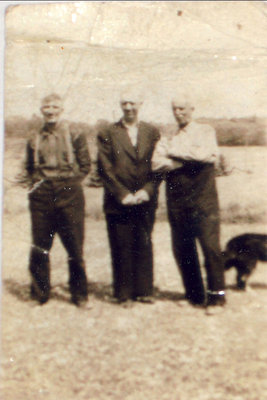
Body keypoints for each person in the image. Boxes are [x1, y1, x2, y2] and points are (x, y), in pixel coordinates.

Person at [152, 95, 226, 312]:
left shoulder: (205, 131)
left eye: (182, 108)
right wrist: (185, 159)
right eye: (174, 109)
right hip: (177, 200)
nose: (178, 113)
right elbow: (156, 163)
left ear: (192, 109)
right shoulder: (169, 134)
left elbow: (205, 155)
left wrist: (173, 155)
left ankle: (217, 298)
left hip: (204, 199)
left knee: (210, 247)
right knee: (183, 248)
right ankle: (193, 295)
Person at [17, 93, 91, 306]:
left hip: (69, 193)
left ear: (62, 109)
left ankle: (80, 295)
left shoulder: (75, 133)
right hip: (41, 195)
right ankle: (39, 294)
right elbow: (30, 168)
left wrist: (69, 184)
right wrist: (37, 186)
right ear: (41, 110)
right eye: (46, 107)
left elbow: (85, 166)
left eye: (55, 106)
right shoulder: (34, 137)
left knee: (75, 247)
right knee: (40, 246)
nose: (50, 110)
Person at [97, 90, 160, 305]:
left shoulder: (151, 131)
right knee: (121, 244)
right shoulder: (108, 131)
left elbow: (158, 166)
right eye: (125, 103)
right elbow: (104, 168)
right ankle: (123, 293)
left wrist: (147, 190)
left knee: (143, 241)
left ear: (141, 103)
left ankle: (144, 290)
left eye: (133, 102)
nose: (129, 107)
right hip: (118, 200)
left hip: (144, 199)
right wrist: (122, 194)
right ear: (120, 105)